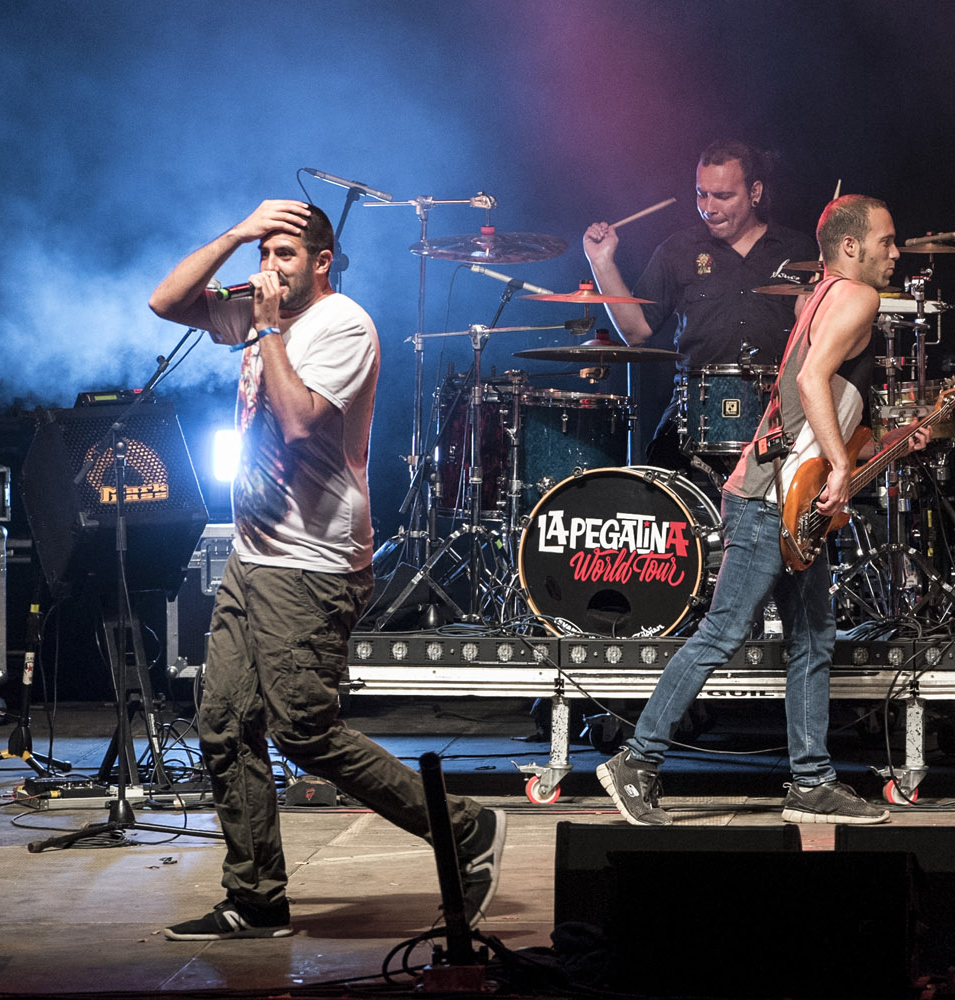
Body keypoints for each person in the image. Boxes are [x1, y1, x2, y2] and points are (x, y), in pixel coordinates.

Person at [148, 200, 504, 939]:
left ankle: (465, 828)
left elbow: (300, 419)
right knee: (223, 723)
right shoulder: (262, 307)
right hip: (255, 557)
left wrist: (268, 329)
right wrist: (237, 232)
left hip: (311, 565)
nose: (269, 268)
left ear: (322, 262)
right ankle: (256, 898)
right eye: (265, 254)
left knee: (304, 730)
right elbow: (166, 302)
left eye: (285, 254)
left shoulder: (342, 325)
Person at [596, 194, 924, 826]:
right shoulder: (858, 296)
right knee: (723, 633)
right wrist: (841, 468)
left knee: (813, 637)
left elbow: (817, 407)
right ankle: (636, 761)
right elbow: (810, 382)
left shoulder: (817, 297)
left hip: (793, 496)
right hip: (773, 497)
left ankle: (811, 782)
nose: (895, 251)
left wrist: (872, 448)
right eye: (886, 240)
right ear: (850, 246)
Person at [582, 139, 817, 474]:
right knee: (659, 479)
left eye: (723, 196)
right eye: (701, 194)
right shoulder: (678, 250)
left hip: (780, 412)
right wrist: (602, 262)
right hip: (693, 413)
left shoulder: (798, 250)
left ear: (755, 192)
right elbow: (635, 331)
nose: (709, 207)